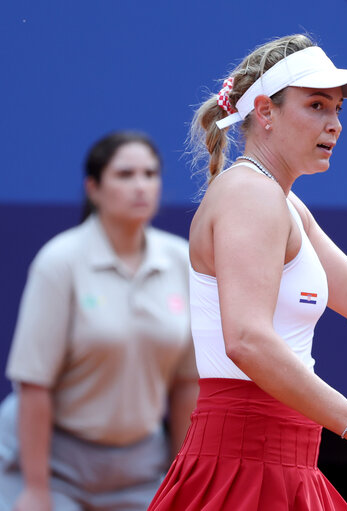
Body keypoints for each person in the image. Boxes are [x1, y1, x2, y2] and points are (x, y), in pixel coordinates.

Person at [147, 34, 347, 510]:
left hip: (283, 465)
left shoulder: (283, 203)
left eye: (339, 109)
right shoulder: (249, 194)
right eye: (317, 105)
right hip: (240, 468)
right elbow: (247, 339)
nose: (335, 124)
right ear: (265, 112)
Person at [0, 131, 198, 511]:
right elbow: (33, 384)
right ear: (94, 188)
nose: (140, 186)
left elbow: (187, 385)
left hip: (141, 467)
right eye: (125, 175)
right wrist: (36, 488)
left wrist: (181, 481)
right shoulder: (59, 261)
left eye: (149, 174)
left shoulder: (181, 260)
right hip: (54, 463)